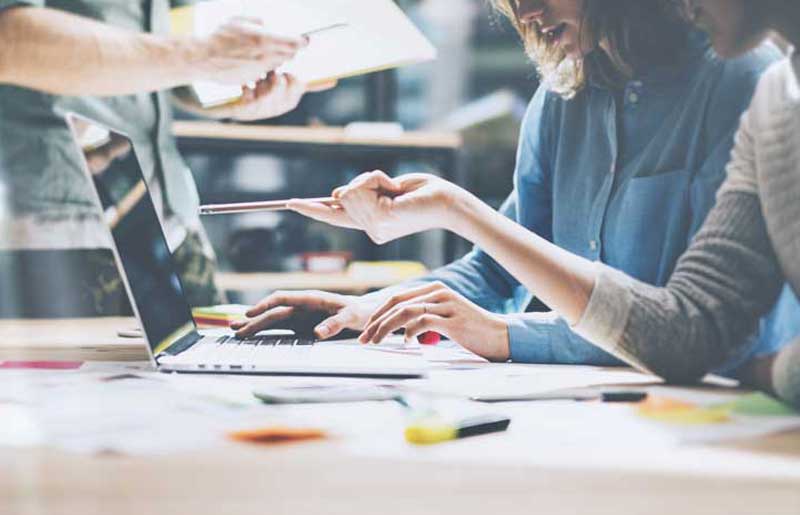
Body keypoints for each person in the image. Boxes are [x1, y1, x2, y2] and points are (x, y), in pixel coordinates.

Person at [254, 0, 800, 409]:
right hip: (603, 409)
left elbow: (706, 332)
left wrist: (504, 335)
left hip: (716, 407)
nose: (528, 12)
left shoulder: (746, 81)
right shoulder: (564, 95)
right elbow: (499, 271)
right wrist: (368, 311)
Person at [0, 1, 331, 317]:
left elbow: (161, 62)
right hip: (56, 229)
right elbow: (8, 40)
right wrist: (203, 55)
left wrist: (227, 96)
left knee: (220, 354)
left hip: (172, 215)